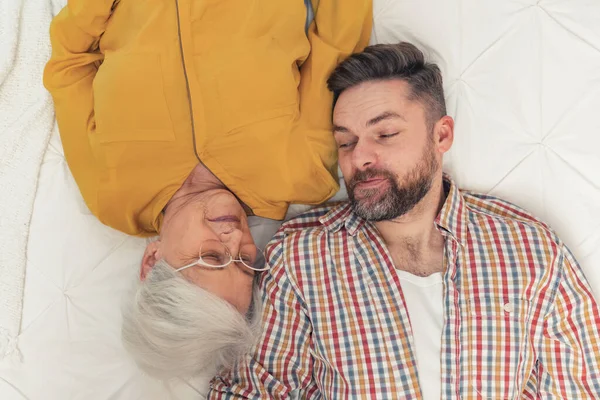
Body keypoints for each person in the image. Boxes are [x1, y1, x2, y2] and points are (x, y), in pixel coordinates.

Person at [209, 42, 600, 399]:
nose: (359, 158)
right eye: (345, 142)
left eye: (386, 133)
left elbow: (580, 388)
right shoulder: (300, 254)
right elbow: (253, 390)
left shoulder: (530, 248)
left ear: (441, 134)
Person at [43, 0, 372, 379]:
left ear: (152, 262)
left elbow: (68, 66)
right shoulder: (302, 171)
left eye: (213, 257)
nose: (234, 239)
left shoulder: (109, 193)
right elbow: (338, 36)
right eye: (247, 262)